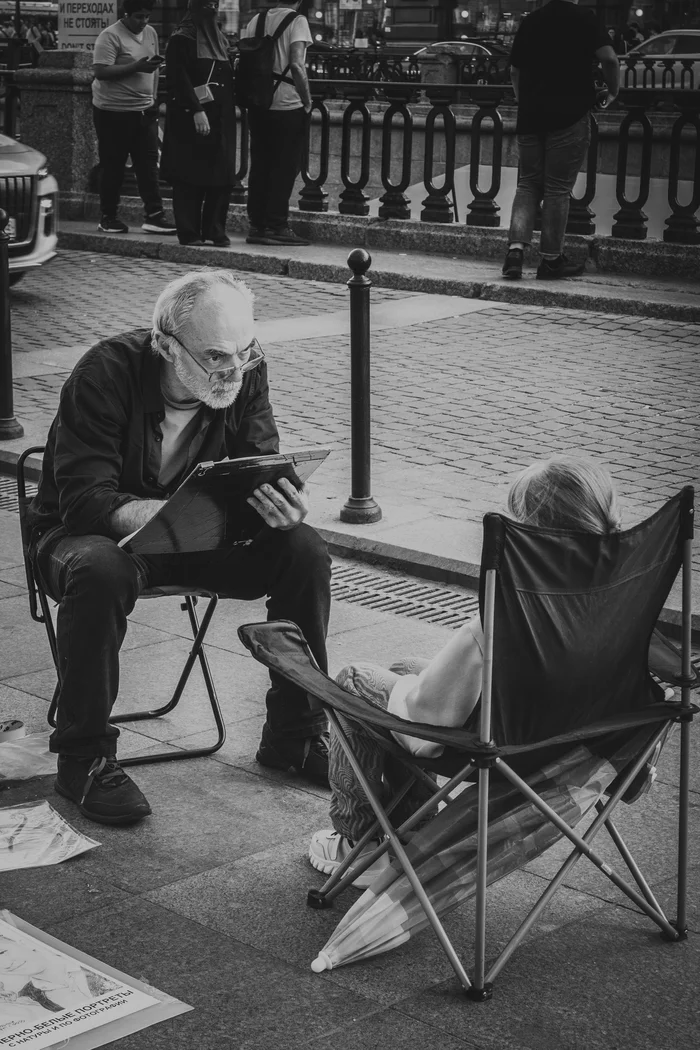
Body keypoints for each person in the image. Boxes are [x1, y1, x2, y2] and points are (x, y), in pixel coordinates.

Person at [27, 270, 331, 826]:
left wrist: (282, 505)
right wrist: (170, 514)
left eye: (244, 351)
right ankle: (84, 756)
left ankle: (296, 735)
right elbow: (84, 501)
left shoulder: (243, 372)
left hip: (198, 534)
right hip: (86, 536)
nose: (233, 369)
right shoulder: (104, 372)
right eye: (216, 355)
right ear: (166, 344)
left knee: (304, 549)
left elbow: (257, 462)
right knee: (101, 569)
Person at [309, 456, 623, 887]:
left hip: (507, 744)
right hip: (568, 730)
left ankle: (357, 842)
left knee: (351, 681)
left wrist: (415, 691)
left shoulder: (522, 598)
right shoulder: (622, 589)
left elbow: (428, 718)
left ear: (532, 530)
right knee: (404, 667)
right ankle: (414, 835)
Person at [501, 0, 620, 282]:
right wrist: (613, 91)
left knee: (528, 183)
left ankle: (515, 252)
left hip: (531, 117)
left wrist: (524, 101)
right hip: (569, 115)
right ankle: (551, 261)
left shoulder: (531, 21)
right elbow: (610, 59)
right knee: (556, 189)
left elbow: (514, 71)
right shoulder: (584, 18)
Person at [92, 0, 177, 236]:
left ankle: (154, 216)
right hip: (113, 112)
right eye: (139, 17)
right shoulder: (109, 36)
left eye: (147, 16)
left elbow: (154, 70)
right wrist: (135, 67)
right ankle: (108, 217)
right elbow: (100, 71)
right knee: (114, 166)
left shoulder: (150, 33)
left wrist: (152, 100)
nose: (144, 22)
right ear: (126, 14)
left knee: (148, 165)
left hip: (143, 110)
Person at [160, 0, 236, 246]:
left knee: (221, 174)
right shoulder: (181, 39)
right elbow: (177, 78)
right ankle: (189, 231)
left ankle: (214, 229)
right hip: (190, 116)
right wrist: (195, 109)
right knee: (188, 175)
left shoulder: (220, 39)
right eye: (206, 6)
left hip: (220, 116)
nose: (211, 11)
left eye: (214, 6)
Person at [240, 0, 313, 247]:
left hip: (259, 102)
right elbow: (296, 64)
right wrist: (307, 100)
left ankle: (257, 225)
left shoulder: (255, 21)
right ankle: (277, 225)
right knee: (285, 166)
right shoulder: (297, 20)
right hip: (286, 103)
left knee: (260, 164)